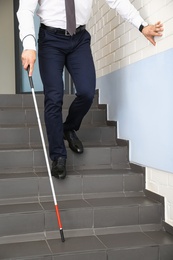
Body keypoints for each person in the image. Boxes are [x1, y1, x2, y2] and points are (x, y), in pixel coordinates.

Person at [17, 0, 163, 180]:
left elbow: (116, 1)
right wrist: (29, 45)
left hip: (79, 39)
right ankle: (58, 155)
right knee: (54, 97)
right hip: (51, 39)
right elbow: (25, 10)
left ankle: (68, 128)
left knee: (87, 92)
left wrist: (141, 26)